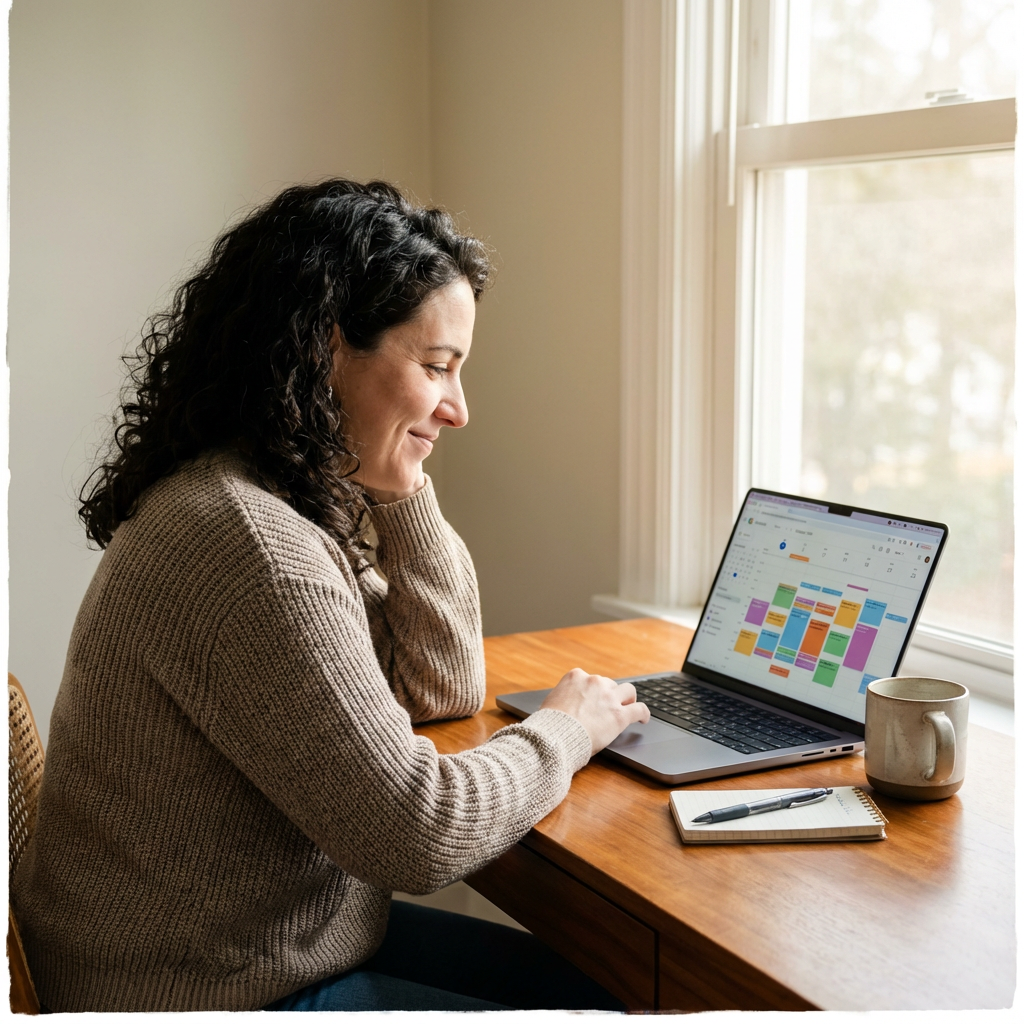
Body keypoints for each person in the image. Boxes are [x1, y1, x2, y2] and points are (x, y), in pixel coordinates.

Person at [12, 179, 649, 1012]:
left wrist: (402, 485)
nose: (458, 408)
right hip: (200, 992)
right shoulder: (245, 540)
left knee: (622, 988)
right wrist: (570, 729)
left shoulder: (273, 499)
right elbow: (420, 832)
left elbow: (437, 686)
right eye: (435, 367)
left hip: (269, 949)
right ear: (323, 349)